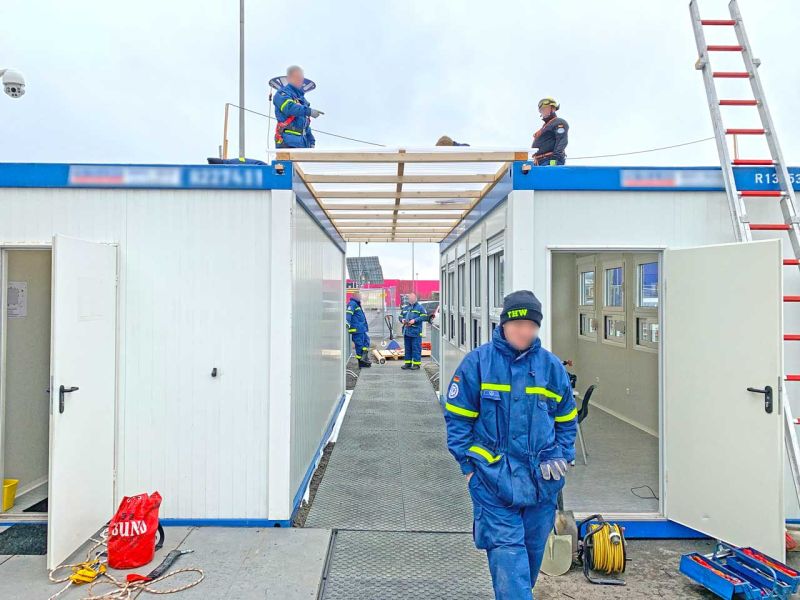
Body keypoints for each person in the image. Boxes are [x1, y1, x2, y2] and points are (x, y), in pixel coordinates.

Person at [443, 290, 577, 600]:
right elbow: (458, 421)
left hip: (542, 484)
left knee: (528, 562)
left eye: (532, 326)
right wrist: (469, 470)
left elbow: (567, 420)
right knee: (508, 558)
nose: (524, 332)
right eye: (518, 325)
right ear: (503, 324)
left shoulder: (550, 367)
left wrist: (563, 455)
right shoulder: (478, 364)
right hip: (493, 482)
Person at [273, 65, 322, 149]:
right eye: (297, 77)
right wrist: (309, 111)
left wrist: (311, 140)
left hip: (303, 144)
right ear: (289, 78)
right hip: (288, 143)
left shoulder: (302, 100)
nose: (300, 80)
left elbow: (305, 124)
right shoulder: (281, 94)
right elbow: (289, 108)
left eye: (301, 78)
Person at [531, 98, 569, 166]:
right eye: (541, 110)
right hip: (540, 162)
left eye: (545, 109)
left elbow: (562, 141)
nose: (543, 112)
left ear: (553, 109)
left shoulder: (559, 122)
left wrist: (554, 161)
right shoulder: (545, 126)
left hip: (550, 161)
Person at [399, 292, 428, 370]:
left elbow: (424, 317)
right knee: (408, 348)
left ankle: (416, 364)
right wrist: (402, 320)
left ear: (415, 299)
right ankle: (407, 363)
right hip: (407, 331)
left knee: (416, 348)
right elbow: (400, 316)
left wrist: (414, 320)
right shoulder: (405, 308)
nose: (411, 300)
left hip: (416, 332)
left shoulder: (420, 307)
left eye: (412, 298)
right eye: (409, 298)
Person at [346, 290, 371, 368]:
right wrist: (347, 323)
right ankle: (361, 363)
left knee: (366, 341)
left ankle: (364, 359)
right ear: (354, 295)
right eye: (359, 295)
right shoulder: (352, 304)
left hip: (361, 329)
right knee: (359, 345)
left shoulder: (357, 304)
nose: (360, 297)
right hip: (357, 329)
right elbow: (348, 314)